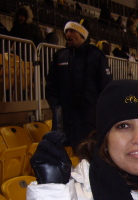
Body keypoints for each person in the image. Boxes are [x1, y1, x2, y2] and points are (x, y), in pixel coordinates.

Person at [45, 20, 112, 151]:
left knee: (88, 154)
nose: (68, 34)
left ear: (82, 34)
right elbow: (51, 86)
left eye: (72, 31)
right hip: (65, 119)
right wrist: (56, 107)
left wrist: (100, 112)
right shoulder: (60, 56)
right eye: (66, 31)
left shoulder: (96, 55)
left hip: (89, 120)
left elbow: (106, 87)